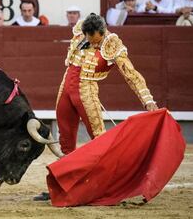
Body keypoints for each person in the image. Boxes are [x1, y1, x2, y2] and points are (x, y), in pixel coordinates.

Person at [34, 13, 158, 201]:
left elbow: (131, 74)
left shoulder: (111, 43)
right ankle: (63, 187)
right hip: (65, 88)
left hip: (87, 90)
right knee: (66, 141)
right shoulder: (80, 31)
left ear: (102, 32)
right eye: (88, 39)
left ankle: (107, 186)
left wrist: (148, 100)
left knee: (99, 140)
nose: (92, 43)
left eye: (95, 41)